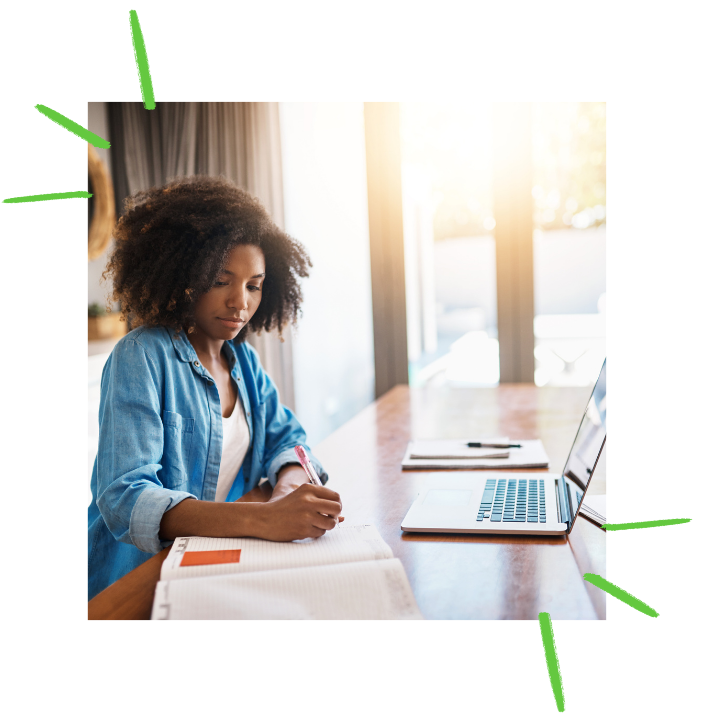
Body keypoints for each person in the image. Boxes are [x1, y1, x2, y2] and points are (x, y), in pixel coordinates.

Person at [88, 175, 342, 600]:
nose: (239, 301)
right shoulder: (141, 356)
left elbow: (290, 441)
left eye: (253, 285)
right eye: (221, 280)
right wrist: (265, 520)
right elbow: (125, 498)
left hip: (206, 566)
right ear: (184, 274)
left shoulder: (245, 363)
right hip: (133, 582)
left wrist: (289, 482)